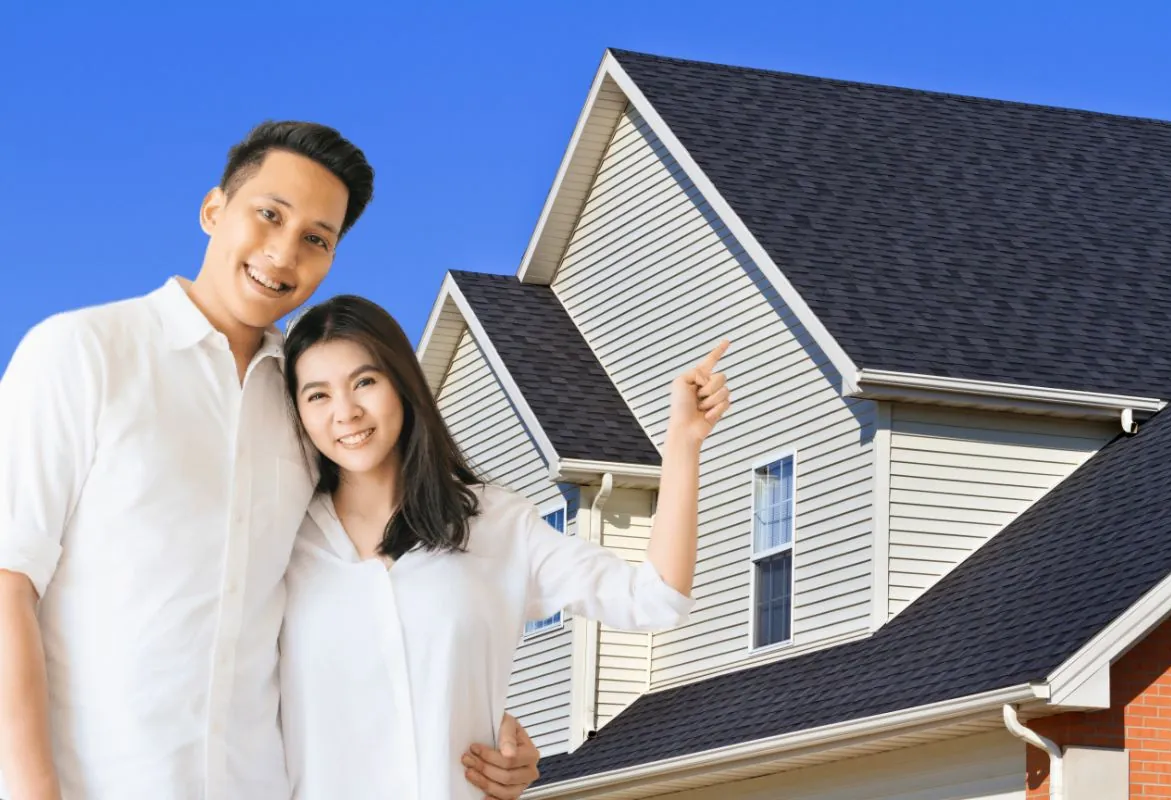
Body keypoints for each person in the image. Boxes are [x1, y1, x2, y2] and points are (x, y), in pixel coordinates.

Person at [0, 121, 540, 799]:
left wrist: (478, 716)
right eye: (268, 215)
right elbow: (8, 584)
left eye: (316, 238)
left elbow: (371, 591)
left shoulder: (311, 406)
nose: (283, 254)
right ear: (213, 210)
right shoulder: (83, 354)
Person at [278, 294, 732, 799]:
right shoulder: (279, 542)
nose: (346, 412)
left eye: (365, 381)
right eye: (317, 395)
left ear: (402, 385)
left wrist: (682, 445)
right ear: (297, 411)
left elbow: (658, 597)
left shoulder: (494, 523)